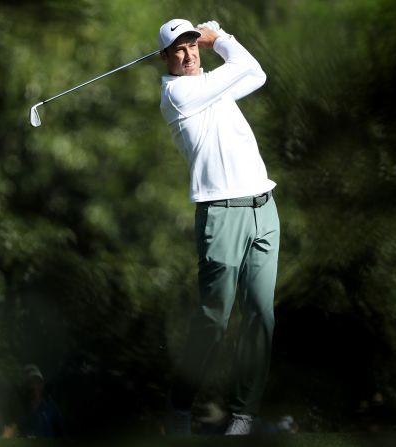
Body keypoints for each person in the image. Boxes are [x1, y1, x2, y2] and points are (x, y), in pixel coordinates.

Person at [157, 18, 280, 436]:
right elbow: (241, 63)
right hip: (220, 212)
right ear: (165, 57)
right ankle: (178, 407)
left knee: (261, 315)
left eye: (194, 45)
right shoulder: (176, 94)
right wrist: (220, 39)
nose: (190, 54)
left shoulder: (211, 83)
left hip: (264, 207)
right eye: (180, 48)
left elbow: (257, 72)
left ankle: (243, 416)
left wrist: (220, 46)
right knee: (214, 318)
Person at [18, 364, 64, 438]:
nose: (35, 385)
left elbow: (61, 433)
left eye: (38, 381)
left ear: (42, 384)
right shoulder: (18, 408)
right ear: (25, 385)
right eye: (30, 382)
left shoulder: (51, 407)